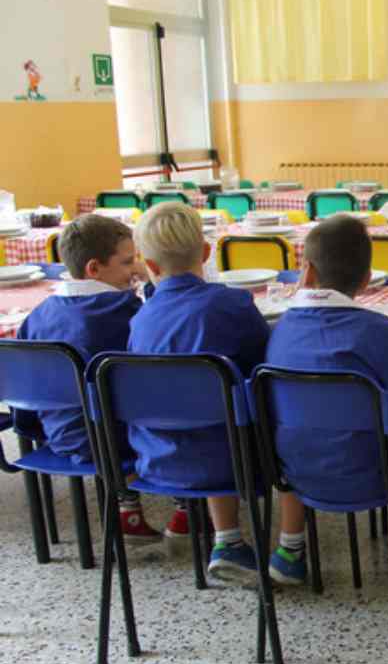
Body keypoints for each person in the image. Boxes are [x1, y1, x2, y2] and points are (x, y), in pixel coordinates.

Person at [263, 215, 388, 586]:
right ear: (368, 280)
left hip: (296, 468)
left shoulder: (281, 330)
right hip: (379, 472)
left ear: (307, 270)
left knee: (323, 425)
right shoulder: (382, 333)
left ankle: (292, 548)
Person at [129, 202, 270, 584]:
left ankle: (227, 537)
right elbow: (265, 368)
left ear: (151, 267)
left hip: (157, 458)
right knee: (239, 407)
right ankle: (289, 546)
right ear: (207, 253)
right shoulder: (233, 304)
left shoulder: (141, 320)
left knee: (204, 407)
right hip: (236, 460)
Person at [17, 215, 166, 544]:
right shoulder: (124, 313)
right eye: (128, 262)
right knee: (174, 402)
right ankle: (188, 508)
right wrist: (154, 281)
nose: (134, 269)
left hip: (61, 436)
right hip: (122, 439)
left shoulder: (38, 315)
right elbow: (160, 342)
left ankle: (129, 507)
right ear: (94, 269)